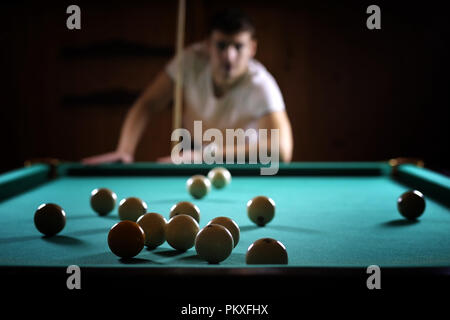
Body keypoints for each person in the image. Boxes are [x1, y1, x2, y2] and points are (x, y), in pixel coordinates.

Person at [83, 8, 293, 165]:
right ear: (208, 45)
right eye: (221, 45)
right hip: (192, 154)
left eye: (238, 46)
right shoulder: (190, 62)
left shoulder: (262, 85)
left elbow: (282, 151)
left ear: (252, 48)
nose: (229, 56)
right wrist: (125, 150)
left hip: (241, 161)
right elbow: (148, 103)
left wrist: (206, 156)